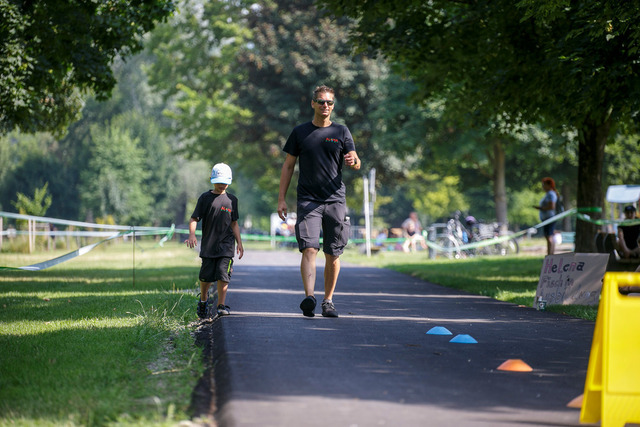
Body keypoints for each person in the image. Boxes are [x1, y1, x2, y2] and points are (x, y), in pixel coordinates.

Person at [278, 85, 361, 318]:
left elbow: (356, 160)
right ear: (313, 103)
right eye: (321, 101)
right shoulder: (300, 132)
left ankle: (328, 301)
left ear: (333, 106)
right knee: (309, 248)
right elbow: (288, 166)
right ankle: (310, 297)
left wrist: (353, 162)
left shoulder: (342, 131)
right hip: (308, 200)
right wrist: (281, 198)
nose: (326, 105)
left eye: (329, 102)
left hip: (335, 200)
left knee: (333, 253)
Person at [185, 163, 244, 319]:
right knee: (206, 277)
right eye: (218, 182)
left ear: (229, 182)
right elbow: (194, 218)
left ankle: (221, 306)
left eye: (224, 182)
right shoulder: (205, 198)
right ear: (212, 180)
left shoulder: (232, 200)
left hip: (226, 245)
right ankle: (203, 300)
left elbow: (234, 223)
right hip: (209, 245)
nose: (221, 185)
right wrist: (192, 235)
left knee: (224, 274)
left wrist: (239, 242)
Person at [533, 177, 559, 255]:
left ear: (549, 185)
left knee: (549, 237)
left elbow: (552, 206)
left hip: (549, 218)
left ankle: (550, 255)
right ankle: (550, 255)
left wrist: (540, 208)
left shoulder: (551, 194)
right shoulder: (548, 194)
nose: (543, 187)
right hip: (547, 218)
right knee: (549, 236)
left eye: (544, 185)